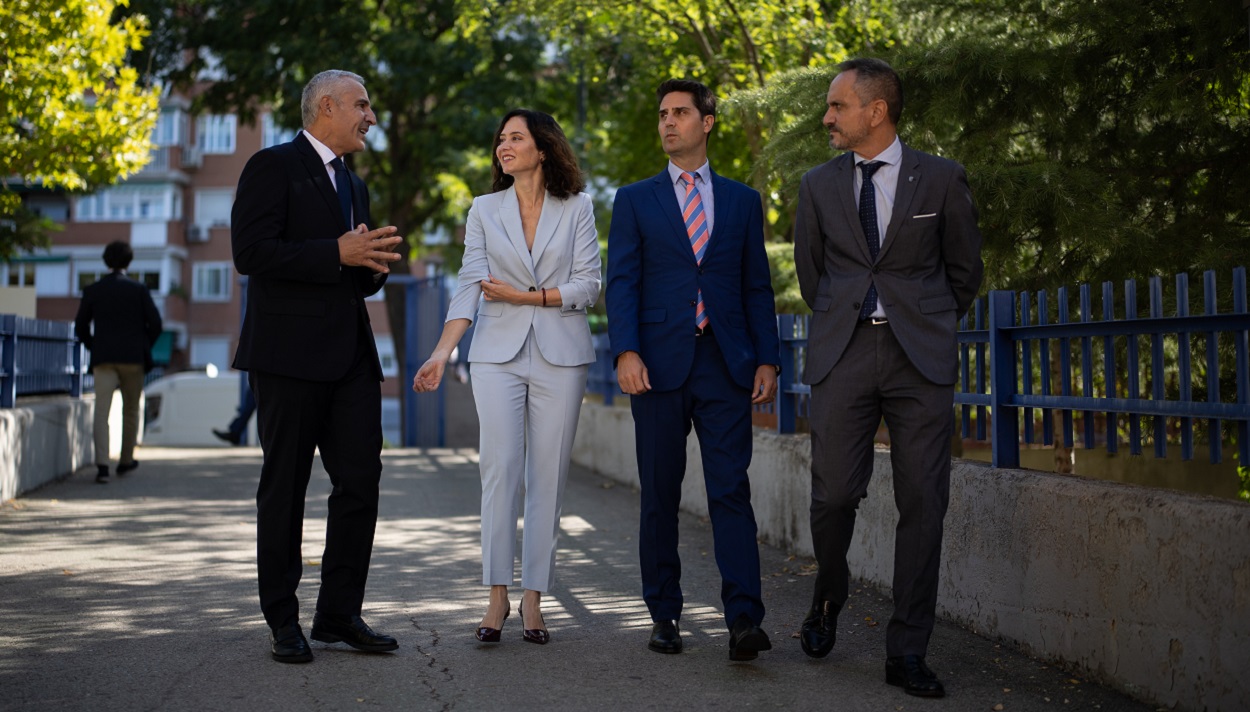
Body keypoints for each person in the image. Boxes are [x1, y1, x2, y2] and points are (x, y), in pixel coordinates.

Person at [792, 58, 984, 697]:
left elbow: (964, 272)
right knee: (834, 495)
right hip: (843, 354)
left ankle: (907, 652)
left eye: (837, 106)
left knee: (925, 503)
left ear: (876, 111)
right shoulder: (818, 185)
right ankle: (828, 596)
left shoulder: (942, 178)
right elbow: (813, 275)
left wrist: (923, 320)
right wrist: (849, 321)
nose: (827, 117)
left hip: (919, 359)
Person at [230, 69, 405, 664]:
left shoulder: (353, 185)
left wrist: (371, 267)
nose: (371, 116)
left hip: (351, 357)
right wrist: (337, 251)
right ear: (326, 106)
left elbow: (351, 275)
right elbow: (250, 253)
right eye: (362, 105)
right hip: (286, 358)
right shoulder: (271, 166)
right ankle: (283, 618)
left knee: (360, 482)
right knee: (286, 488)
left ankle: (338, 614)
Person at [605, 79, 780, 661]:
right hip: (655, 366)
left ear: (707, 122)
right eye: (662, 114)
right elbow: (622, 281)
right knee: (659, 492)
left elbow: (757, 285)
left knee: (730, 490)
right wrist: (625, 351)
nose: (668, 122)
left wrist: (767, 357)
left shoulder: (741, 201)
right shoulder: (634, 199)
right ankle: (664, 615)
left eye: (680, 113)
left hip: (725, 363)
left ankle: (744, 621)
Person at [413, 109, 600, 646]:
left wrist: (529, 297)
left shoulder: (578, 208)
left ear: (543, 149)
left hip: (561, 355)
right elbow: (470, 283)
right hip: (494, 353)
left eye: (515, 137)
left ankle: (534, 598)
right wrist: (443, 352)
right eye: (500, 139)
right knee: (499, 471)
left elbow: (589, 284)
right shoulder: (483, 209)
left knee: (548, 478)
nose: (503, 146)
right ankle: (497, 593)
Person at [74, 240, 163, 484]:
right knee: (131, 410)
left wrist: (94, 345)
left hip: (103, 359)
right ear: (129, 261)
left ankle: (102, 466)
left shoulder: (93, 290)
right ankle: (125, 460)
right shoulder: (139, 290)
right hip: (133, 359)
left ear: (105, 261)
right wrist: (144, 345)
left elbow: (80, 326)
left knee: (101, 411)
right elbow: (156, 324)